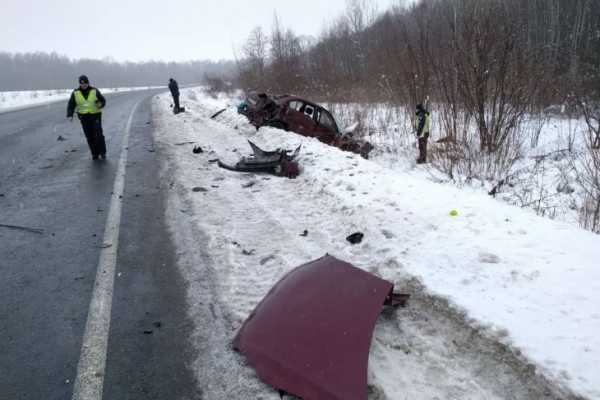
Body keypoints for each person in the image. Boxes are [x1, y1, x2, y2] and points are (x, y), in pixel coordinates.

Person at [67, 75, 107, 160]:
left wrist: (101, 104)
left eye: (85, 82)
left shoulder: (94, 90)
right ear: (79, 83)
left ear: (88, 83)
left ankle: (102, 152)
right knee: (89, 136)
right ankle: (94, 153)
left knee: (98, 134)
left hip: (95, 115)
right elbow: (71, 105)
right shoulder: (75, 92)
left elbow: (103, 100)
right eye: (82, 83)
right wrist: (70, 115)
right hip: (84, 117)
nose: (83, 84)